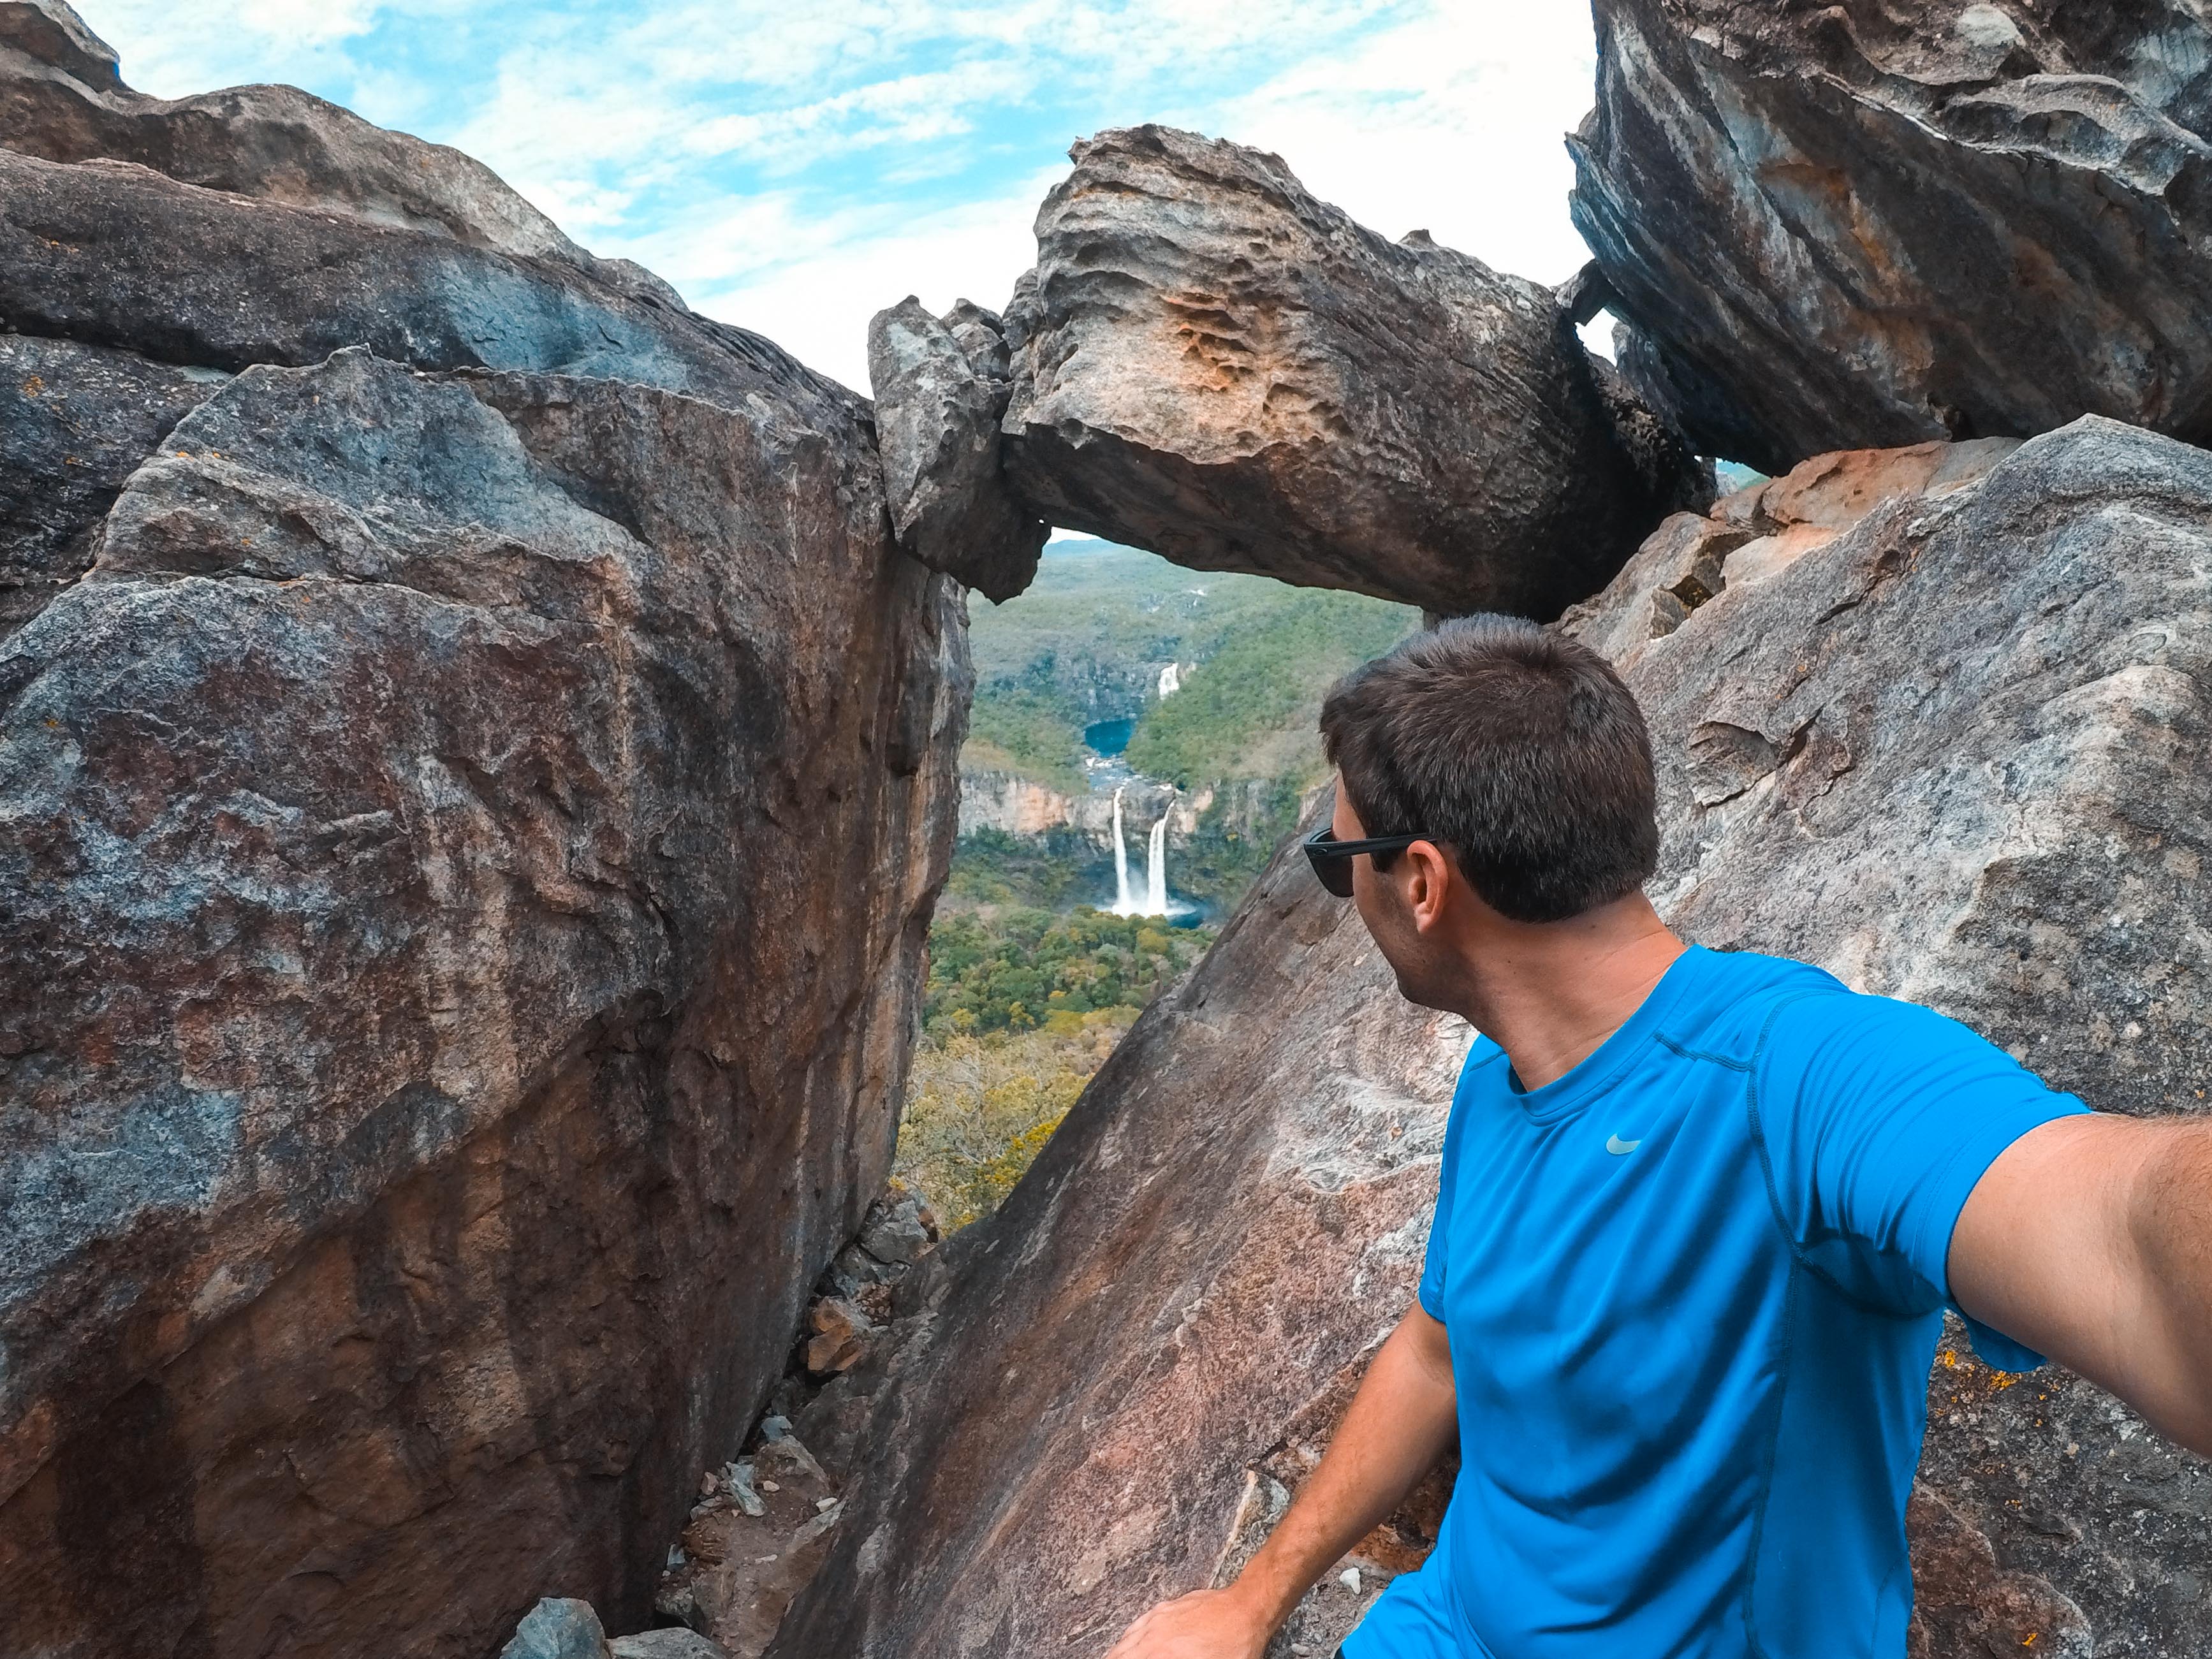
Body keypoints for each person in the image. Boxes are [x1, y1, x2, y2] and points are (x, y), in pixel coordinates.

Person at [1105, 615, 2212, 1659]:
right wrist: (1246, 1601)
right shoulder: (1502, 1075)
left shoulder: (1797, 1076)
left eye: (1337, 858)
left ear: (1423, 883)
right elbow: (1438, 1345)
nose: (1344, 887)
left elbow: (2120, 1232)